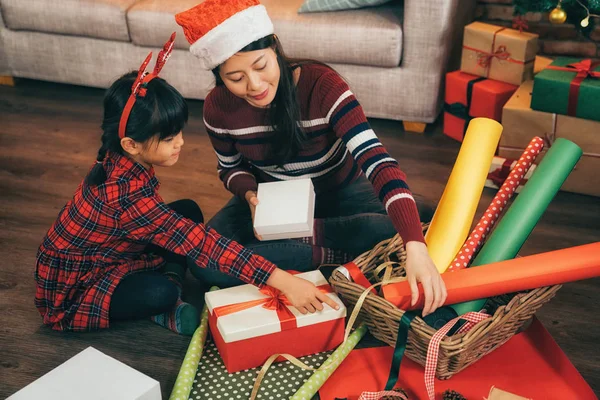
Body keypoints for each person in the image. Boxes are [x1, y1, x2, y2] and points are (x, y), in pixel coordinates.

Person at [34, 33, 339, 336]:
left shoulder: (118, 157)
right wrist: (284, 281)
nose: (180, 143)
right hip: (78, 287)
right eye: (168, 139)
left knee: (187, 210)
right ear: (131, 143)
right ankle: (168, 299)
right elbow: (203, 244)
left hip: (115, 250)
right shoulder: (126, 197)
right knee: (161, 292)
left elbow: (177, 230)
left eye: (179, 132)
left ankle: (169, 280)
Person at [176, 0, 447, 316]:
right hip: (268, 200)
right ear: (220, 76)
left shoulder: (322, 86)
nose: (255, 85)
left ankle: (293, 246)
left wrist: (415, 246)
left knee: (422, 222)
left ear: (275, 48)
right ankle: (329, 253)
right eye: (235, 78)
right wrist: (249, 194)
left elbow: (377, 161)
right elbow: (230, 168)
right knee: (203, 262)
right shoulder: (217, 107)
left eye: (261, 66)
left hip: (337, 191)